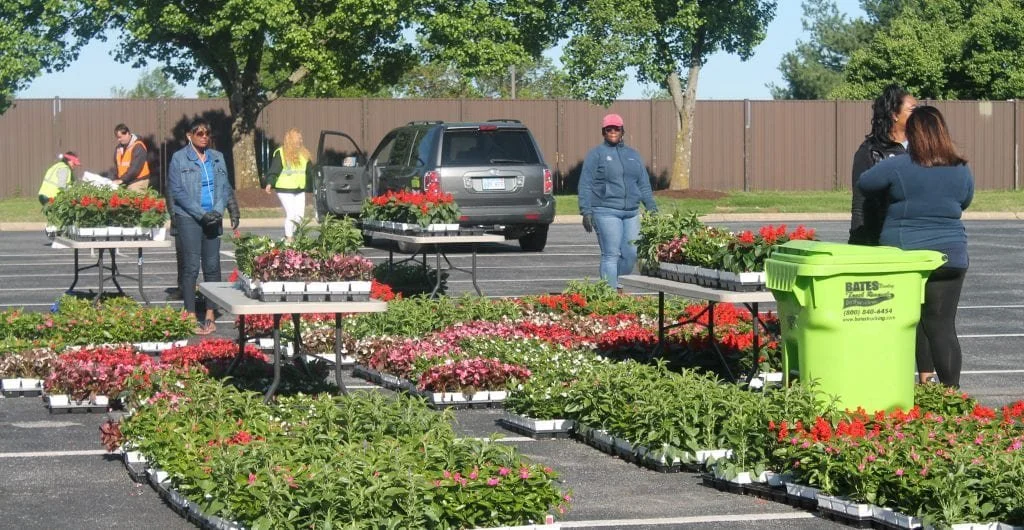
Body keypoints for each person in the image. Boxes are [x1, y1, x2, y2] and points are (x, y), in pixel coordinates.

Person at [857, 106, 973, 388]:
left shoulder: (899, 165)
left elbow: (865, 183)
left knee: (907, 323)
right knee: (942, 326)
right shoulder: (961, 168)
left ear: (912, 134)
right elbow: (964, 201)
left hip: (905, 259)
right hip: (950, 257)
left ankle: (899, 386)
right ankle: (951, 395)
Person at [578, 113, 658, 292]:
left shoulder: (633, 155)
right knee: (611, 254)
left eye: (616, 128)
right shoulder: (596, 154)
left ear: (622, 131)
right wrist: (586, 211)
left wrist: (652, 208)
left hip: (631, 212)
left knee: (632, 254)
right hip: (605, 210)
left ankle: (614, 285)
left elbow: (643, 184)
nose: (613, 131)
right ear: (603, 132)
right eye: (609, 129)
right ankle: (609, 294)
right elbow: (585, 184)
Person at [168, 118, 234, 335]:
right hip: (189, 217)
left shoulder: (217, 157)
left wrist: (217, 210)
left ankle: (209, 312)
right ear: (189, 135)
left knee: (213, 266)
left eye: (207, 133)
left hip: (213, 216)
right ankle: (188, 313)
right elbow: (177, 191)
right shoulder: (179, 158)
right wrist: (201, 214)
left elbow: (224, 186)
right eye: (199, 133)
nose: (204, 137)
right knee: (191, 267)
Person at [849, 85, 918, 245]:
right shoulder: (869, 151)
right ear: (894, 114)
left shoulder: (921, 148)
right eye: (913, 110)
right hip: (882, 237)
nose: (918, 115)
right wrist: (860, 242)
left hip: (914, 236)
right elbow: (860, 205)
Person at [262, 128, 313, 240]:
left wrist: (315, 184)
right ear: (291, 140)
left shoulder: (304, 154)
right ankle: (289, 237)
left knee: (300, 216)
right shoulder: (281, 153)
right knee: (291, 214)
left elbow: (310, 172)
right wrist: (270, 183)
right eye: (298, 138)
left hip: (299, 189)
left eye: (301, 138)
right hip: (284, 190)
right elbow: (274, 170)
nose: (300, 140)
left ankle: (291, 235)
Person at [113, 123, 151, 192]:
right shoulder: (118, 148)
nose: (118, 140)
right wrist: (116, 179)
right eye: (117, 137)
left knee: (132, 199)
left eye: (120, 137)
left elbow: (135, 168)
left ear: (127, 133)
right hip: (124, 181)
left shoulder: (138, 146)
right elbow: (117, 167)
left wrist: (122, 180)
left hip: (138, 180)